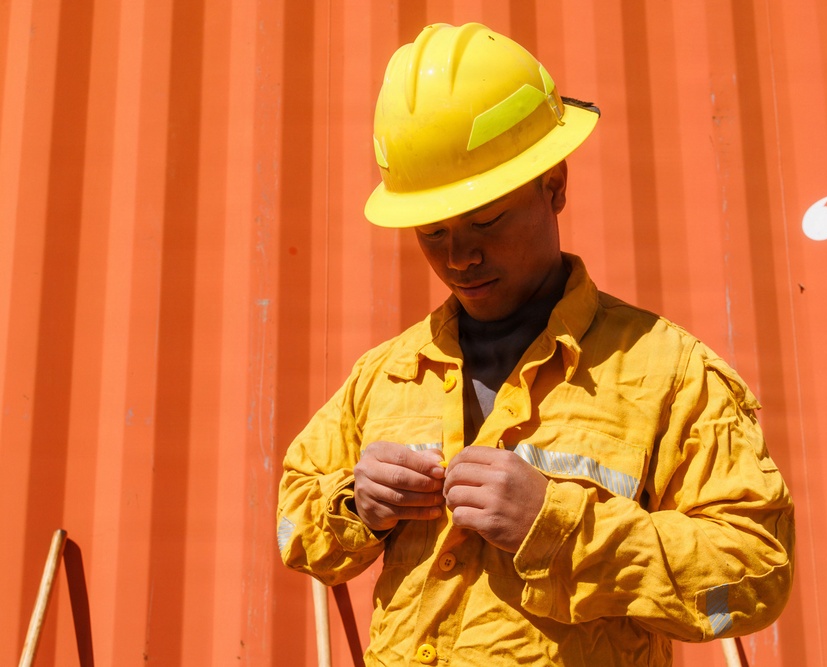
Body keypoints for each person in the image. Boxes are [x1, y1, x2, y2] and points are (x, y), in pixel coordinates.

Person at [277, 22, 794, 666]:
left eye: (487, 221)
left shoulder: (669, 373)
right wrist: (356, 503)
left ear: (554, 187)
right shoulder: (387, 375)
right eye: (432, 232)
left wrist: (556, 526)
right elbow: (295, 527)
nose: (460, 256)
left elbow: (756, 576)